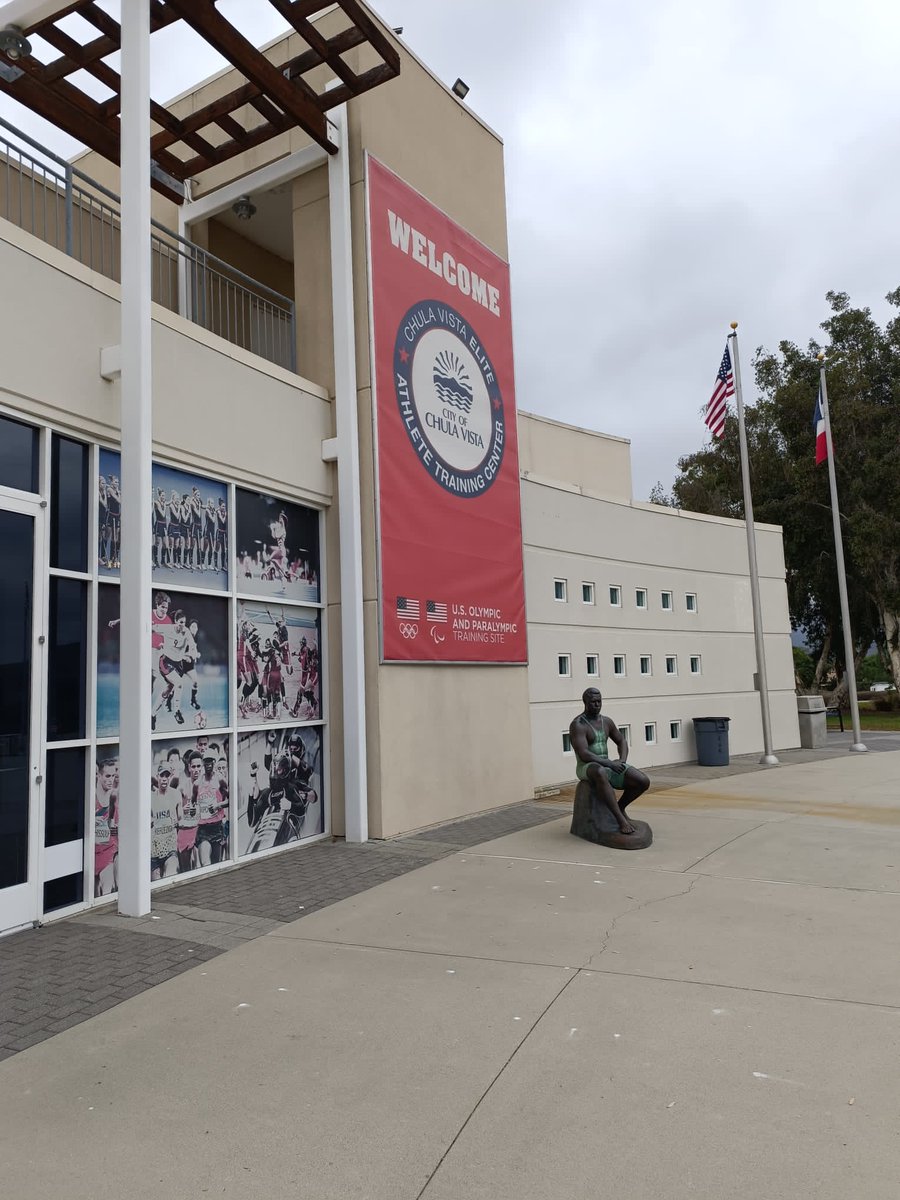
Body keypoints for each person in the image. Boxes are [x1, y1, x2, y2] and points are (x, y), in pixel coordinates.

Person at [569, 688, 649, 835]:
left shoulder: (607, 721)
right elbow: (584, 753)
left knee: (642, 781)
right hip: (586, 767)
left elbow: (621, 741)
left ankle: (620, 807)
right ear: (585, 702)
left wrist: (622, 761)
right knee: (599, 771)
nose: (597, 705)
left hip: (607, 765)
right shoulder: (578, 724)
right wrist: (610, 764)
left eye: (599, 701)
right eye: (593, 702)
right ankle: (620, 820)